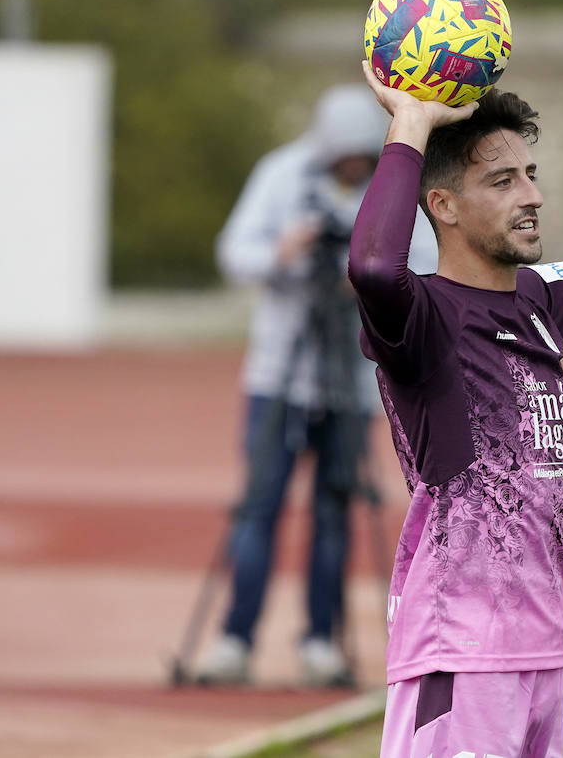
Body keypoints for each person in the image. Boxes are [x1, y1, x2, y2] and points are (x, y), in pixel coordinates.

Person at [349, 59, 563, 757]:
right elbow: (372, 267)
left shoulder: (535, 298)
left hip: (536, 648)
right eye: (502, 181)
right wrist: (409, 127)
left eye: (530, 174)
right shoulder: (425, 316)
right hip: (460, 651)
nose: (530, 194)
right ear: (443, 205)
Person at [195, 84, 438, 686]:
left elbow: (427, 266)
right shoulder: (281, 174)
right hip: (277, 376)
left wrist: (373, 277)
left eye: (362, 157)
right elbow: (234, 252)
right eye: (343, 158)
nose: (352, 167)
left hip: (351, 382)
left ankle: (320, 642)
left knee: (334, 510)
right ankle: (235, 638)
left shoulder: (394, 183)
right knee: (258, 507)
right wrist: (282, 254)